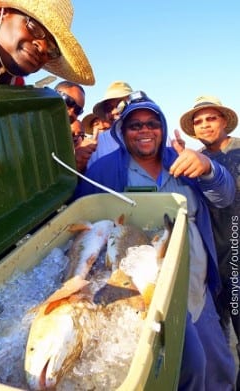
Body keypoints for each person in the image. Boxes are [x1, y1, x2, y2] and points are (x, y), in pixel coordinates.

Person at [73, 96, 237, 390]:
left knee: (217, 363)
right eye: (135, 125)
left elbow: (224, 196)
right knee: (175, 363)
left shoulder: (182, 158)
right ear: (123, 132)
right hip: (139, 283)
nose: (144, 130)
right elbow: (84, 219)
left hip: (193, 278)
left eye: (152, 123)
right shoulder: (104, 170)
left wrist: (209, 169)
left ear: (162, 128)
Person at [179, 95, 240, 384]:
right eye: (198, 121)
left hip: (237, 254)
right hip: (213, 258)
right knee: (219, 330)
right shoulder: (195, 160)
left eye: (211, 118)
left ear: (224, 121)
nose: (204, 125)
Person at [0, 0, 94, 85]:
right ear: (1, 14)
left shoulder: (16, 88)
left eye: (52, 49)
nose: (43, 48)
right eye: (34, 27)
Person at [86, 80, 133, 167]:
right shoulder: (98, 143)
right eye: (109, 108)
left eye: (121, 105)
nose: (114, 111)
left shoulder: (154, 135)